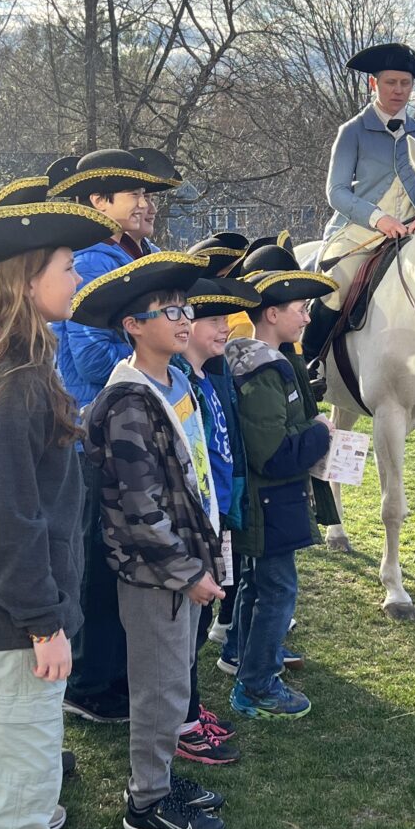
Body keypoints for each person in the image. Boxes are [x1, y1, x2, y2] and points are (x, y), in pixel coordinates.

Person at [0, 198, 119, 829]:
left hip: (1, 618)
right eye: (67, 267)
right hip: (14, 626)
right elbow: (8, 519)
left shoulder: (18, 370)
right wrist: (43, 623)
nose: (77, 278)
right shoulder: (14, 385)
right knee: (19, 801)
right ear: (24, 280)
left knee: (4, 782)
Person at [75, 252, 227, 829]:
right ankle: (146, 802)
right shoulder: (127, 403)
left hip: (187, 559)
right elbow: (139, 509)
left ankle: (159, 778)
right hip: (157, 573)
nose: (184, 320)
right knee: (159, 688)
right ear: (134, 326)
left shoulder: (177, 382)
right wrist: (187, 571)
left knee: (175, 682)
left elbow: (194, 474)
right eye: (170, 312)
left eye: (186, 309)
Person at [48, 148, 181, 722]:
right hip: (94, 435)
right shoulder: (90, 262)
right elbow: (88, 359)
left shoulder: (143, 255)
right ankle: (88, 680)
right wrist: (160, 357)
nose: (147, 204)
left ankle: (120, 668)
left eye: (150, 195)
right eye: (135, 194)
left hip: (142, 430)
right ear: (98, 201)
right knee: (100, 560)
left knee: (131, 553)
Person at [223, 255, 338, 719]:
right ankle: (257, 684)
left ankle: (241, 656)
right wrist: (319, 433)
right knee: (278, 591)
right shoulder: (263, 371)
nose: (307, 318)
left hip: (268, 501)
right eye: (300, 309)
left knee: (256, 584)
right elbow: (271, 453)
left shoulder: (263, 361)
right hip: (270, 500)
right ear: (272, 314)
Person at [302, 42, 415, 382]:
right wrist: (379, 218)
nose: (399, 90)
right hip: (359, 231)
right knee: (335, 284)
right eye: (391, 82)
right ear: (373, 83)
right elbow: (335, 192)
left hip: (411, 233)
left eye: (405, 83)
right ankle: (309, 364)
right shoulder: (352, 131)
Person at [170, 275, 262, 764]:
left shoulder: (208, 376)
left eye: (226, 319)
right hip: (197, 523)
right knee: (187, 624)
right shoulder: (180, 382)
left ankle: (189, 707)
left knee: (202, 619)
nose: (225, 328)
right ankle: (181, 721)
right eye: (214, 319)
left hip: (218, 515)